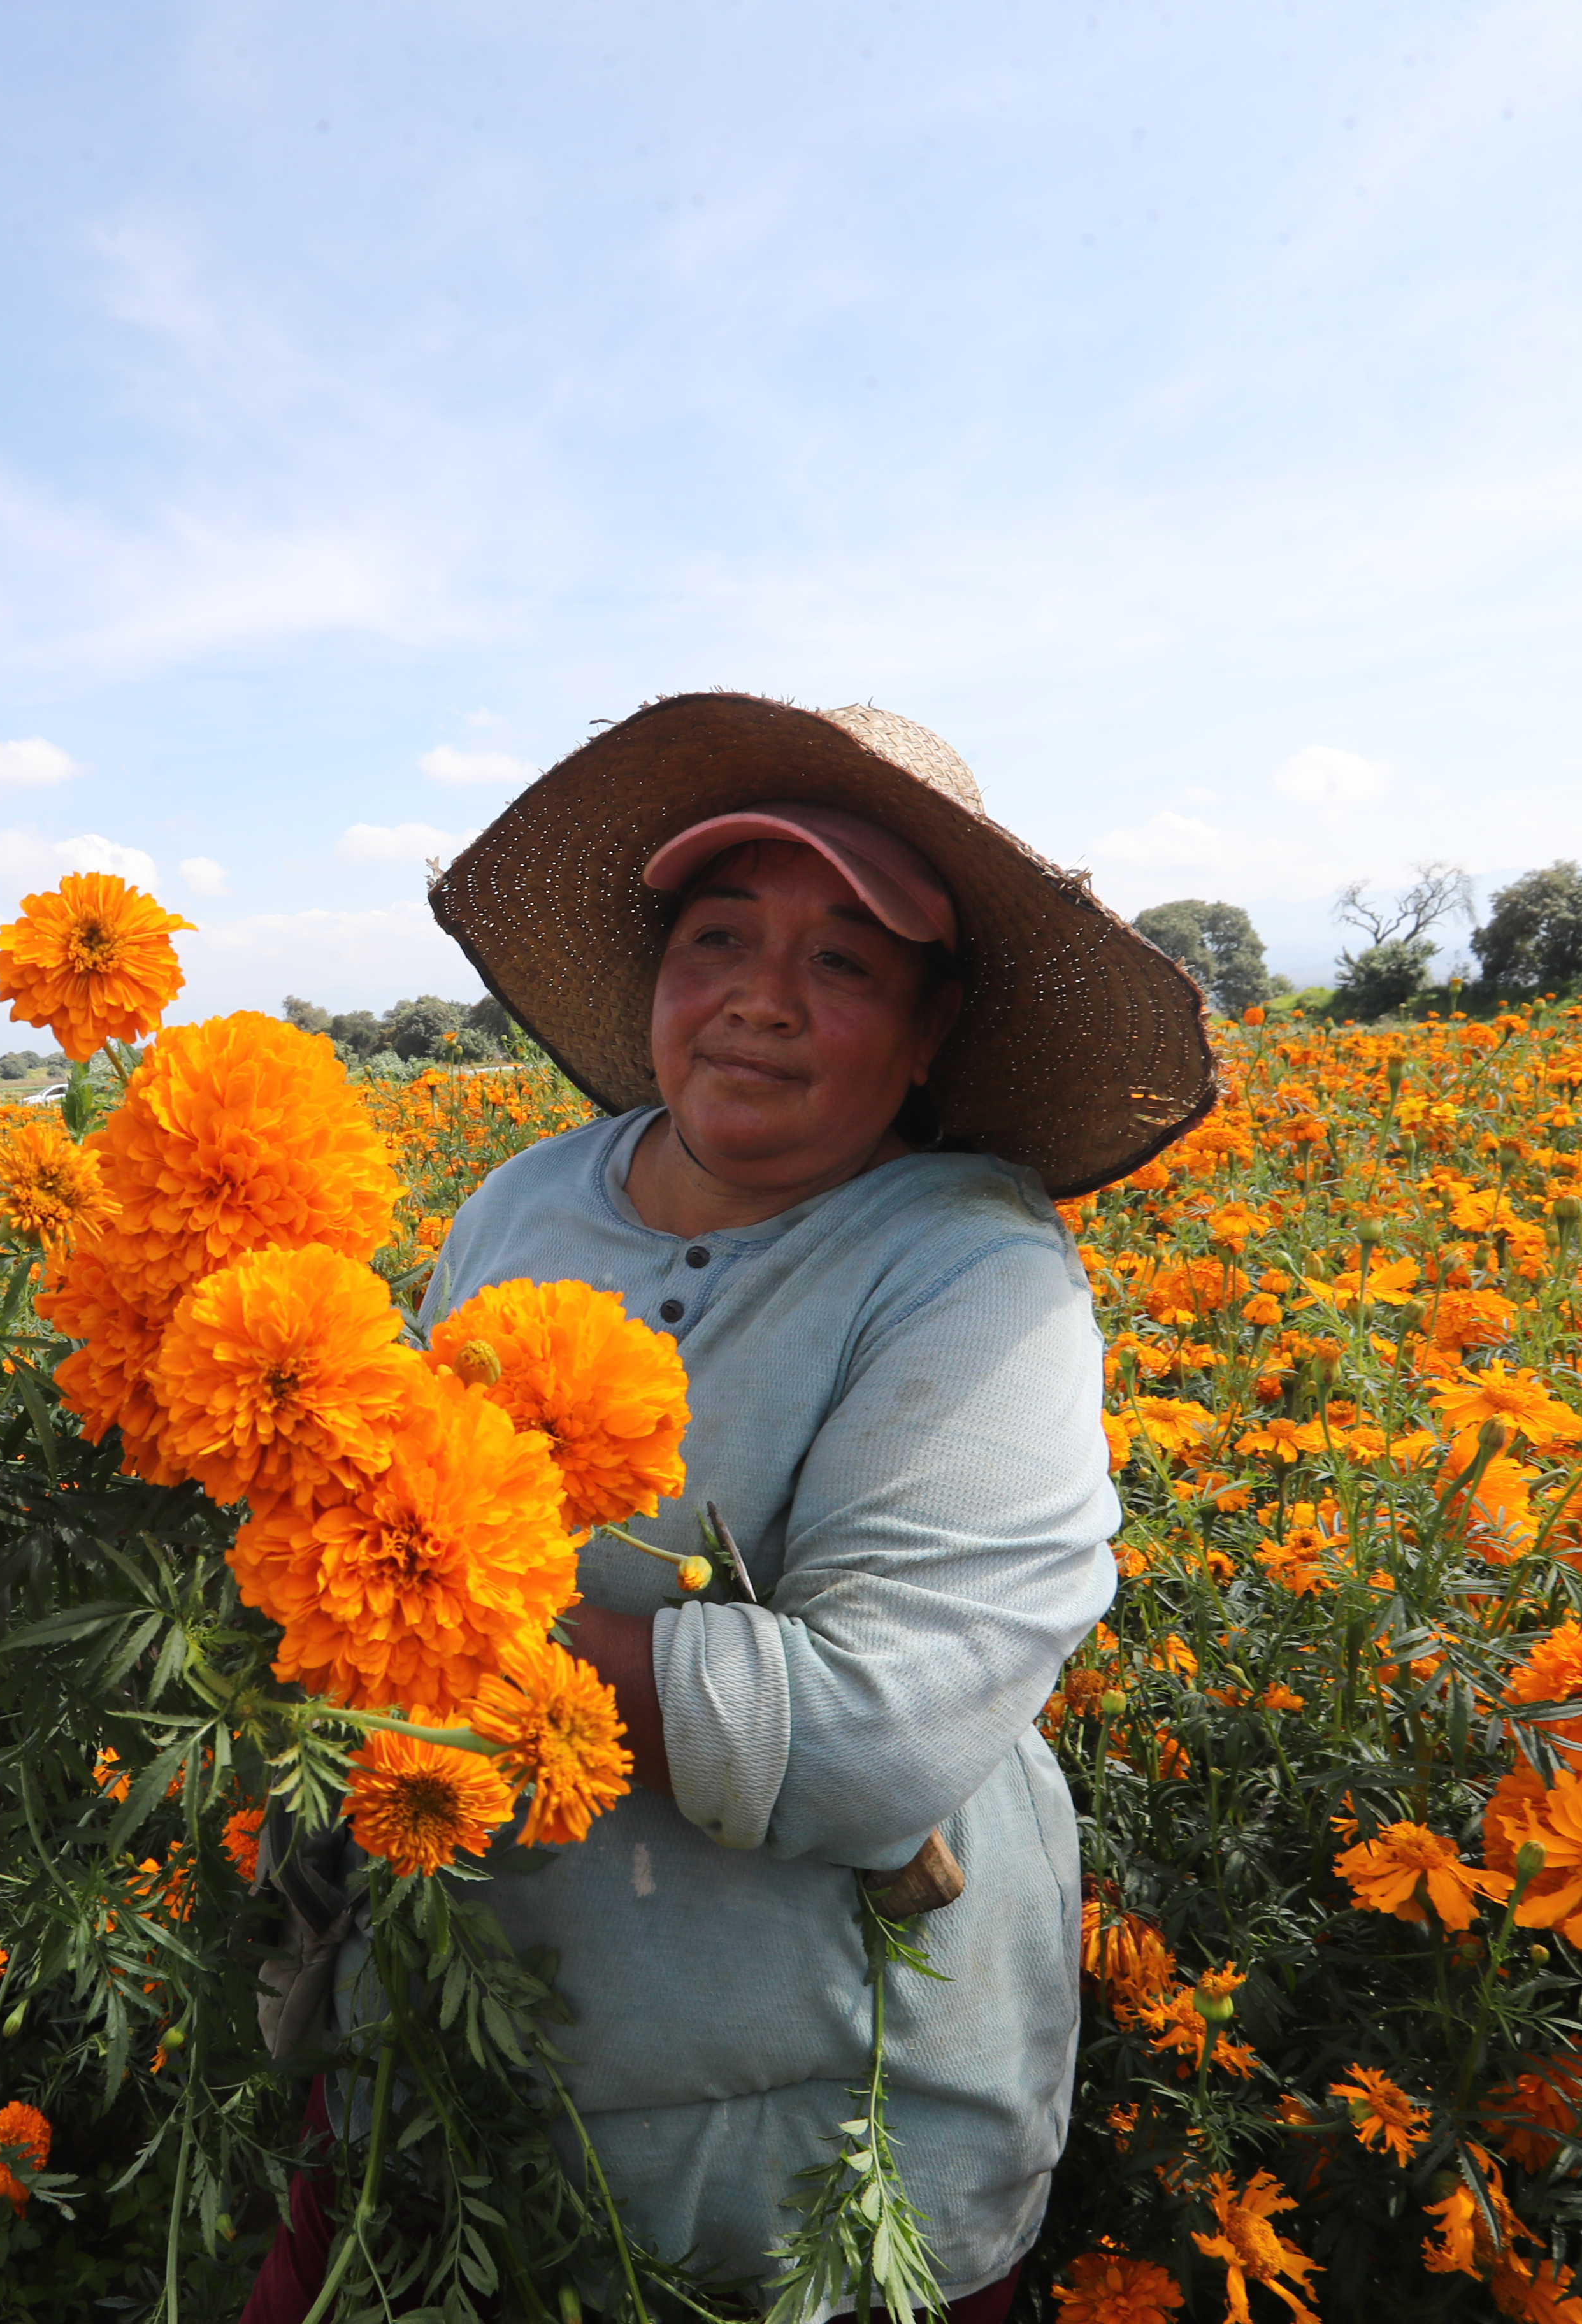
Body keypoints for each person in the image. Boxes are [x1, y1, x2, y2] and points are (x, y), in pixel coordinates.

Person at [250, 696, 1216, 2321]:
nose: (762, 999)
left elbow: (873, 1731)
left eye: (843, 961)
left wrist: (445, 1591)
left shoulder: (969, 1263)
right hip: (436, 2066)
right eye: (717, 938)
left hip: (805, 2160)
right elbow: (357, 1512)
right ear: (653, 982)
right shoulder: (523, 1198)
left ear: (930, 1028)